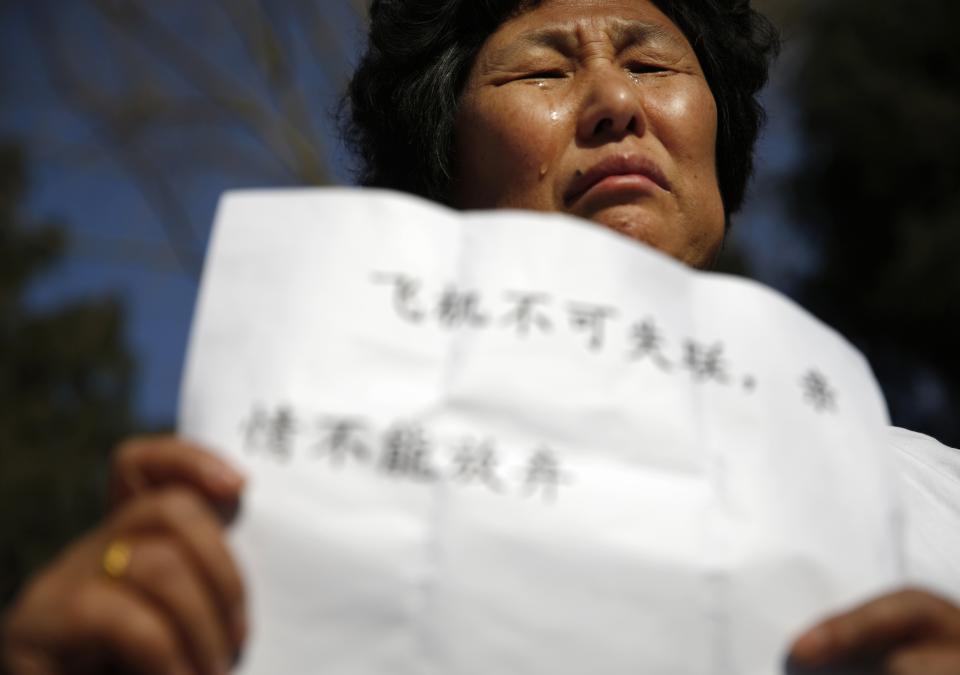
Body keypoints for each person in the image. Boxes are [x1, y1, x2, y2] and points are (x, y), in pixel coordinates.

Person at [3, 0, 960, 673]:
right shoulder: (281, 498)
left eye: (654, 63)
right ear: (446, 168)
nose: (615, 102)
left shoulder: (934, 488)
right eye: (543, 68)